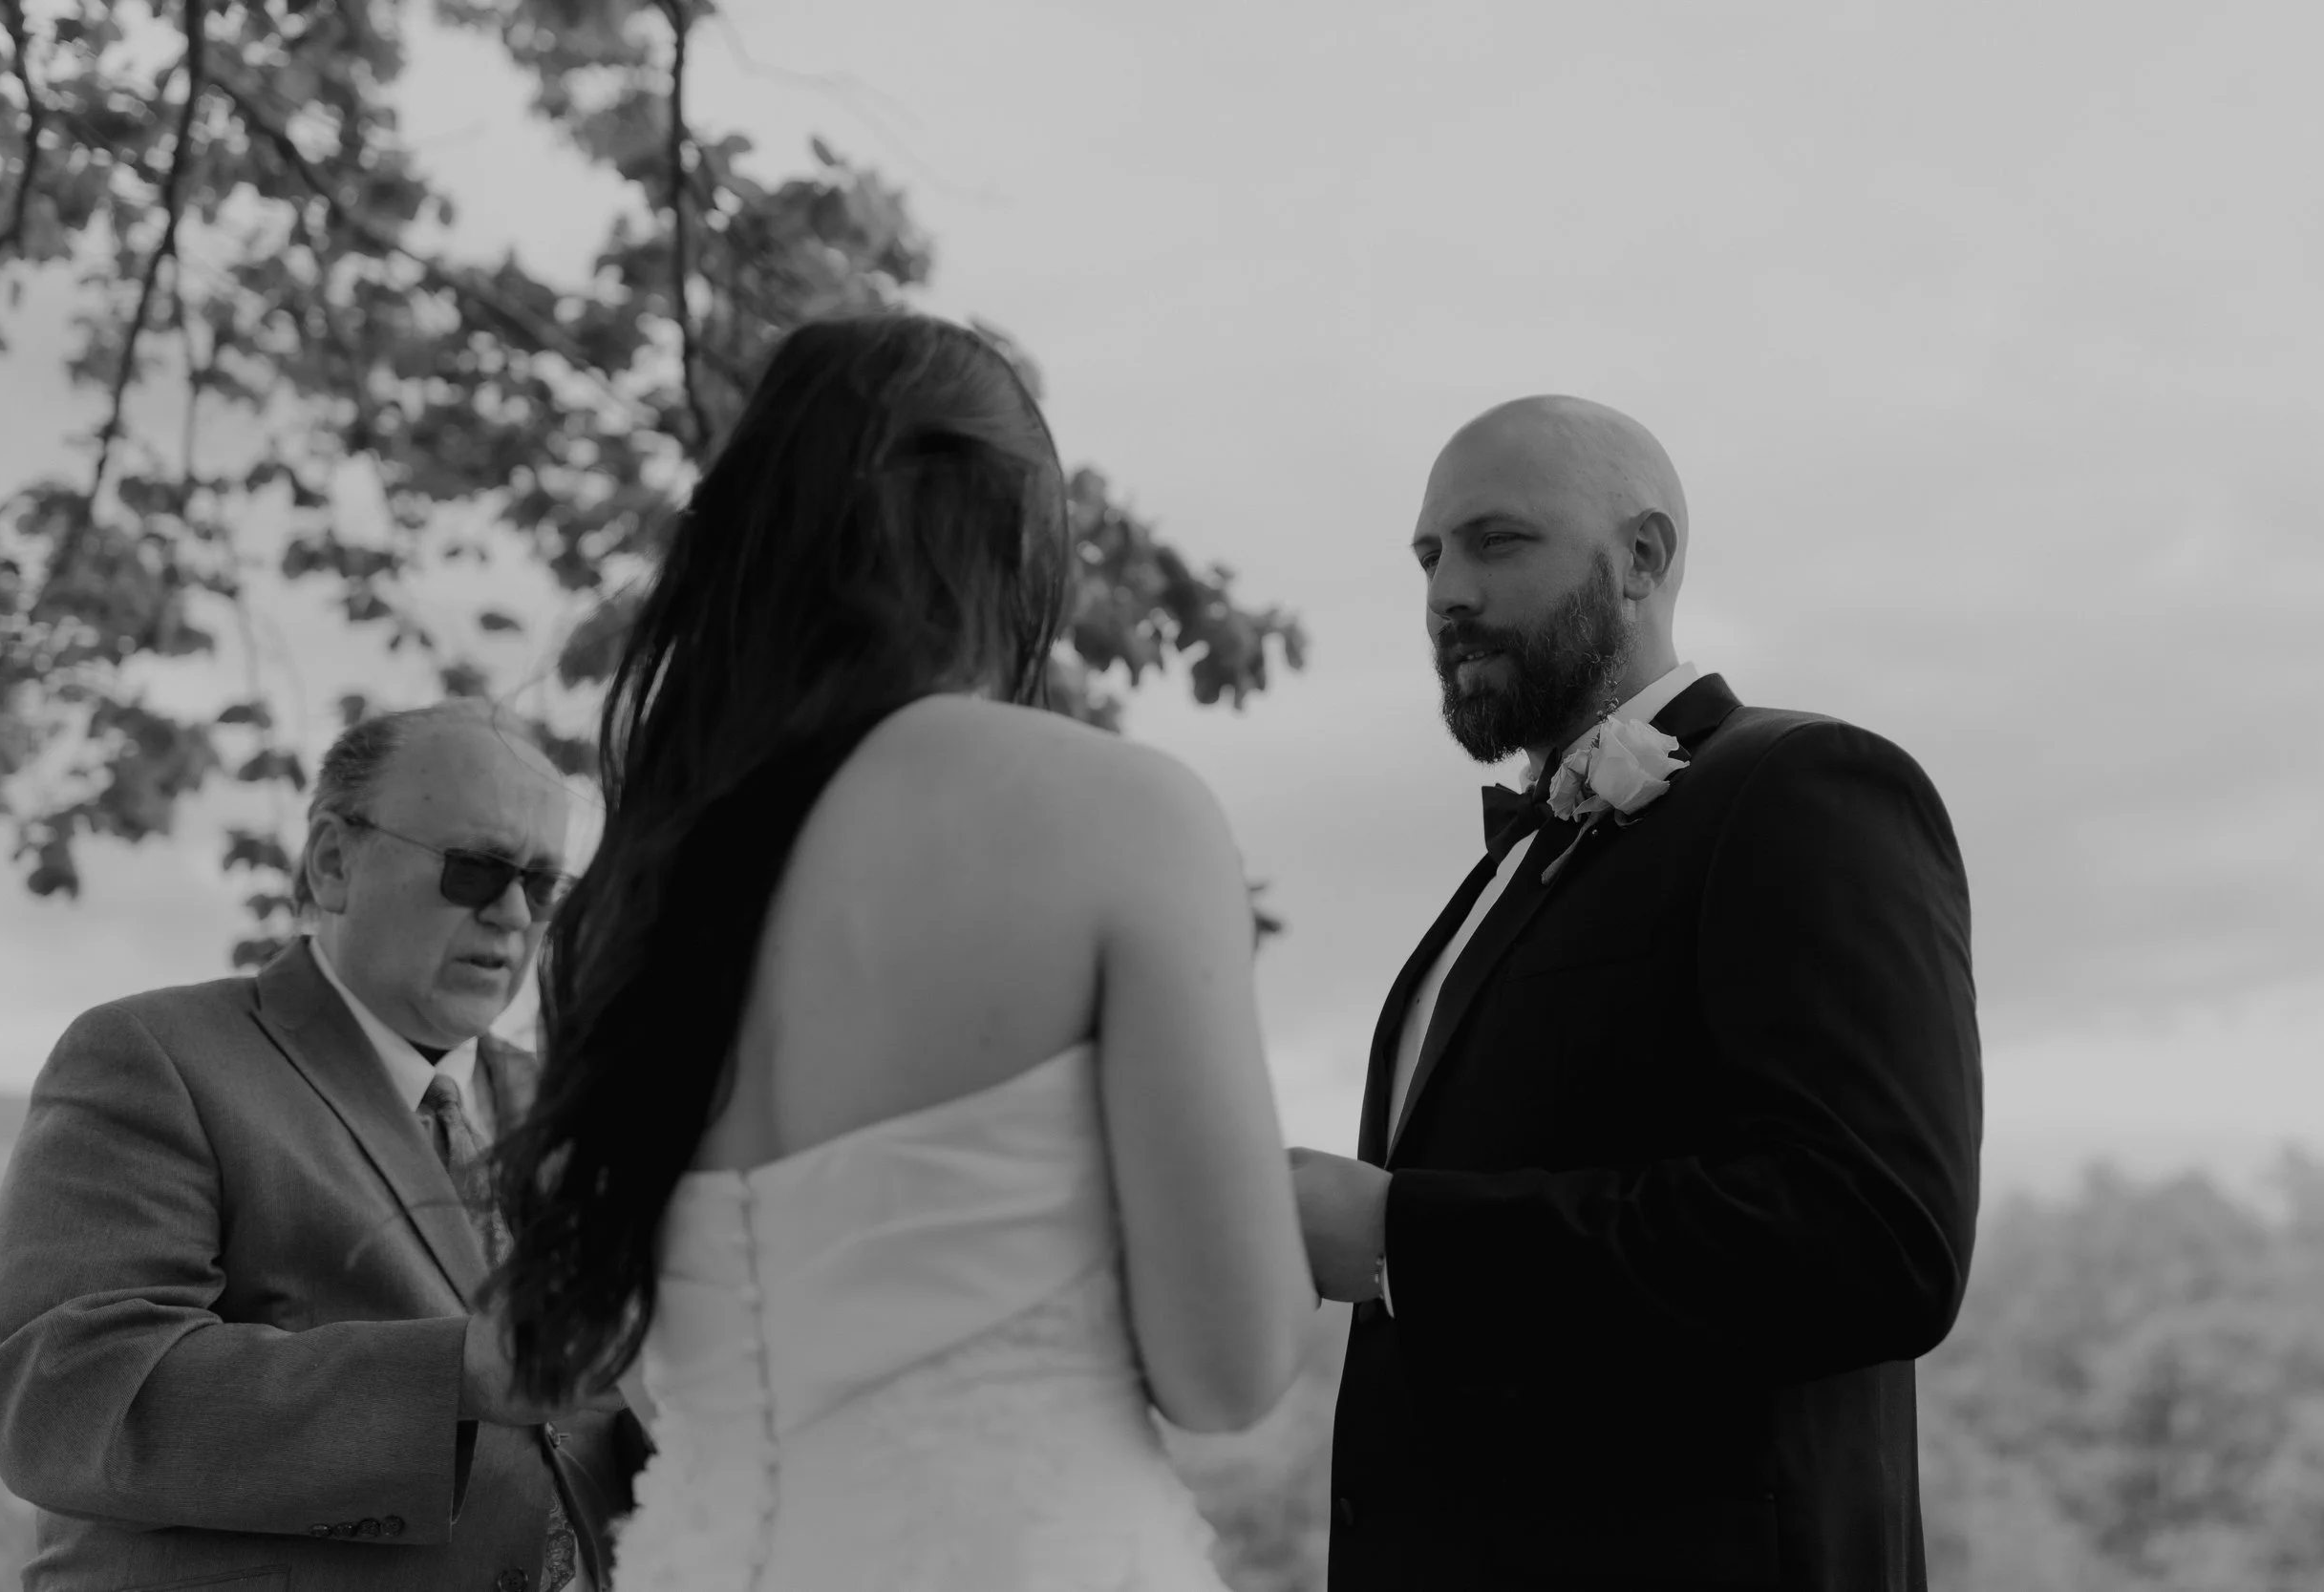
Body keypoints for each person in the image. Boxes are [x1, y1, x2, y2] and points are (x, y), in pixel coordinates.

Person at [484, 312, 1314, 1590]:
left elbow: (642, 1355)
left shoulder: (646, 883)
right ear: (1018, 543)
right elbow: (1227, 1367)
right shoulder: (1120, 812)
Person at [1290, 396, 1983, 1591]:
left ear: (1642, 558)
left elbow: (1874, 1238)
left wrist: (1404, 1237)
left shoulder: (1805, 787)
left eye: (1497, 541)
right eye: (1427, 555)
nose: (1446, 592)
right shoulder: (1510, 867)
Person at [0, 697, 650, 1592]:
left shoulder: (567, 1109)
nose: (515, 914)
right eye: (478, 869)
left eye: (545, 884)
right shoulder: (155, 1055)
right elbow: (65, 1394)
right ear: (334, 862)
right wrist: (457, 1373)